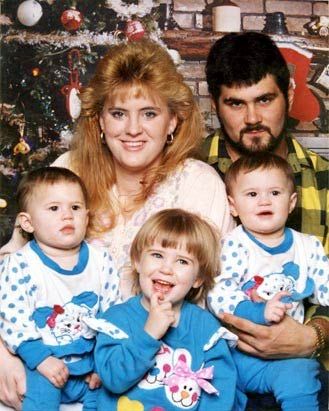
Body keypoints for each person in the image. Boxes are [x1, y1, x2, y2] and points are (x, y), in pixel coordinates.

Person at [0, 39, 233, 410]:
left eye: (149, 114)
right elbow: (11, 269)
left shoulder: (200, 184)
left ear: (173, 120)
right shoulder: (68, 170)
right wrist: (4, 356)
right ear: (99, 121)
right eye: (119, 113)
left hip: (162, 371)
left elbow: (219, 296)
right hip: (56, 363)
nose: (133, 129)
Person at [203, 31, 329, 372]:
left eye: (264, 100)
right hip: (210, 367)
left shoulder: (324, 178)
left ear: (288, 94)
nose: (253, 118)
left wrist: (312, 337)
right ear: (215, 103)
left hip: (303, 369)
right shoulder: (189, 173)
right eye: (235, 103)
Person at [207, 153, 328, 410]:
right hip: (238, 353)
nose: (264, 200)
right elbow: (218, 294)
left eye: (275, 193)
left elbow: (326, 291)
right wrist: (259, 311)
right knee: (214, 385)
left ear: (291, 201)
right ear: (233, 206)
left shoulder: (307, 247)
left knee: (302, 381)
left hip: (288, 354)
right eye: (251, 195)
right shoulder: (233, 245)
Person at [94, 208, 246, 410]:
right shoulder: (116, 319)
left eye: (182, 261)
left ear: (198, 278)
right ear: (138, 262)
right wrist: (148, 335)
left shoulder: (205, 328)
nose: (166, 268)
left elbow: (221, 392)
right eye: (157, 255)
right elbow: (114, 380)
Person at [0, 167, 120, 410]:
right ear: (28, 222)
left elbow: (113, 313)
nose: (67, 215)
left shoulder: (101, 260)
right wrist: (41, 359)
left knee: (109, 398)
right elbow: (12, 318)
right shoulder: (20, 265)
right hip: (42, 363)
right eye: (54, 208)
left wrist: (102, 362)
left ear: (87, 216)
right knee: (41, 401)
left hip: (90, 361)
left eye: (75, 208)